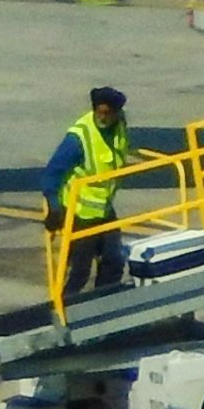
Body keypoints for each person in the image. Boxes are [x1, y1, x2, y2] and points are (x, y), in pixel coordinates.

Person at [45, 85, 134, 306]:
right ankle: (64, 310)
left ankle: (101, 307)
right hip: (79, 214)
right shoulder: (79, 139)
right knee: (80, 271)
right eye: (99, 113)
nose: (103, 118)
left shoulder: (120, 126)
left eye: (108, 113)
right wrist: (54, 207)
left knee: (114, 261)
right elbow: (52, 173)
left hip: (104, 209)